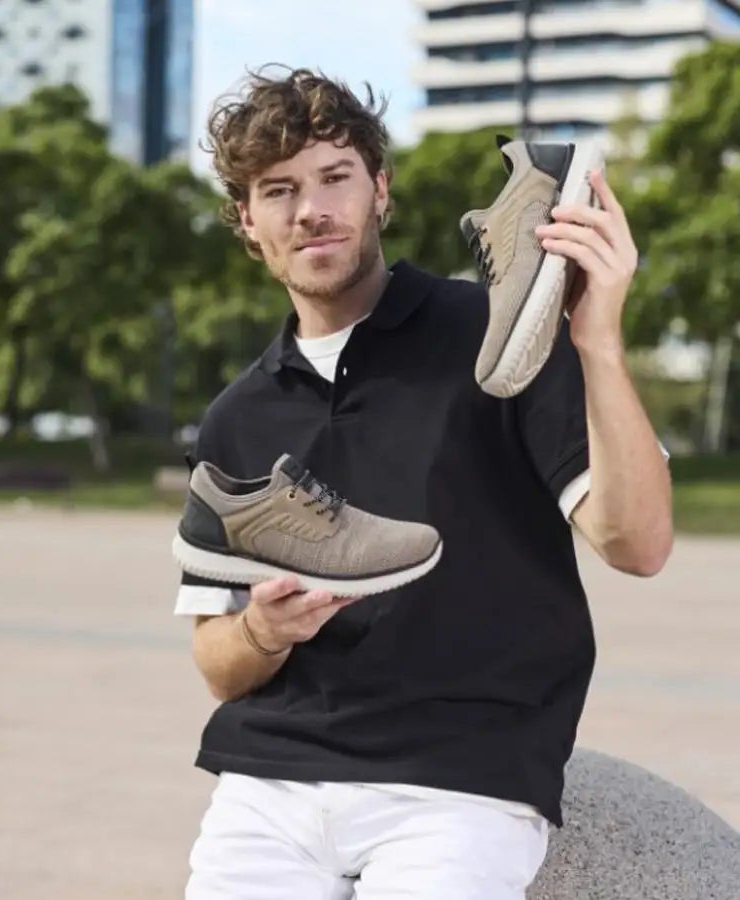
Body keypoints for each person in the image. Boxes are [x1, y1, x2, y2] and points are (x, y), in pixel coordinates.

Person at [175, 68, 675, 898]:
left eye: (335, 177)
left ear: (380, 189)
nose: (311, 210)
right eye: (279, 190)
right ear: (248, 222)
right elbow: (218, 667)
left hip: (460, 781)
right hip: (269, 785)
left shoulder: (498, 331)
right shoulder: (235, 416)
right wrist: (264, 629)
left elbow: (640, 544)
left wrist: (597, 342)